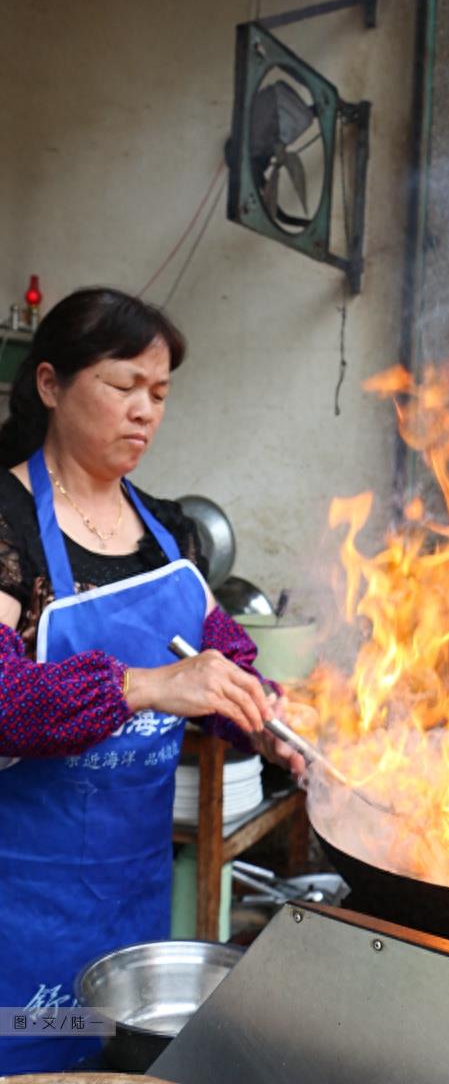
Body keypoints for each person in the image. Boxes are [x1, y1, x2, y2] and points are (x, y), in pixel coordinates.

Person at [0, 287, 305, 1074]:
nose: (145, 412)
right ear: (49, 384)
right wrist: (143, 686)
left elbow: (224, 665)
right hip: (20, 902)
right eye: (123, 385)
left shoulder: (169, 530)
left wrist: (268, 719)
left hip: (130, 897)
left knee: (117, 1065)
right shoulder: (5, 521)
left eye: (160, 394)